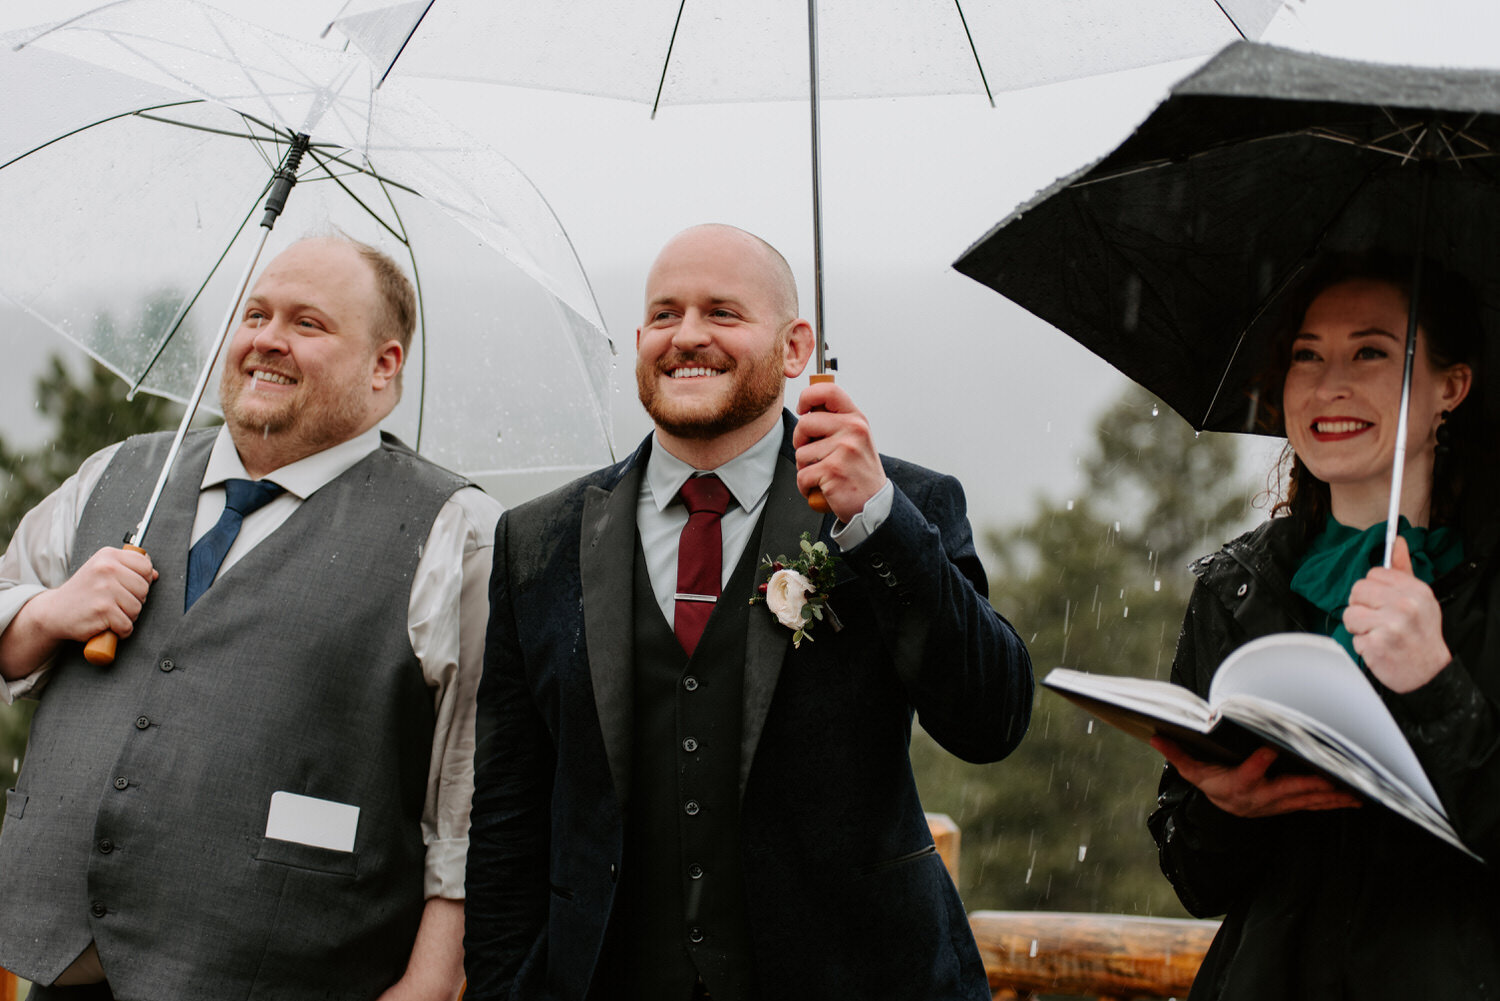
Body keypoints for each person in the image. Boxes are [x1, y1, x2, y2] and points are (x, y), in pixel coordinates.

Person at [464, 223, 1033, 1000]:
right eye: (664, 315)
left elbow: (990, 719)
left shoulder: (902, 507)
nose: (687, 335)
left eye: (722, 313)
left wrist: (878, 522)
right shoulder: (538, 539)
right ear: (639, 340)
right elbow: (507, 816)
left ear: (796, 348)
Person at [0, 236, 499, 1001]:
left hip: (289, 976)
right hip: (60, 967)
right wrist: (45, 613)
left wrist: (431, 982)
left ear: (383, 365)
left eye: (308, 323)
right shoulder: (118, 473)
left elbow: (469, 791)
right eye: (256, 314)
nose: (267, 338)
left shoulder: (454, 530)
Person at [1147, 255, 1500, 999]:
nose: (1328, 384)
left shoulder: (1489, 583)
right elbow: (1195, 881)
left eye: (1371, 351)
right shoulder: (1237, 589)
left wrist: (1437, 687)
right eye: (1307, 354)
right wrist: (1223, 806)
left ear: (1452, 387)